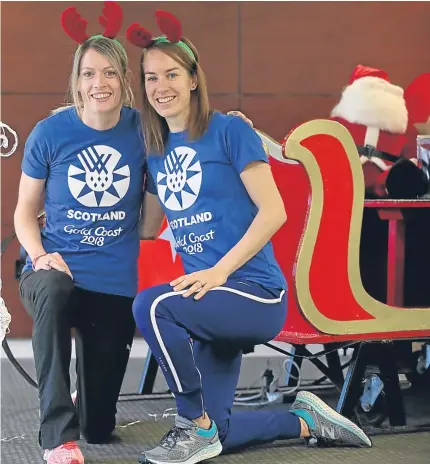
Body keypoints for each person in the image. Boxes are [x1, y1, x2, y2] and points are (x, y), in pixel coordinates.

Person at [130, 13, 372, 464]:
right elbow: (146, 229)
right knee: (222, 430)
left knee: (151, 305)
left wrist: (219, 270)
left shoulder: (229, 130)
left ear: (194, 80)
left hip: (253, 292)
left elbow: (274, 211)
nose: (161, 86)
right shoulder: (157, 152)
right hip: (207, 296)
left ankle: (190, 426)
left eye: (171, 74)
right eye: (150, 78)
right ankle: (302, 418)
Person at [14, 4, 145, 463]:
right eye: (89, 74)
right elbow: (24, 213)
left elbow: (198, 141)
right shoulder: (49, 133)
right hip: (57, 270)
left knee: (101, 429)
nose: (99, 84)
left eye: (109, 73)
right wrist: (38, 254)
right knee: (52, 286)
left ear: (125, 79)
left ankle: (83, 416)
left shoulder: (142, 131)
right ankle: (57, 437)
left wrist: (242, 128)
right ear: (76, 81)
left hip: (112, 286)